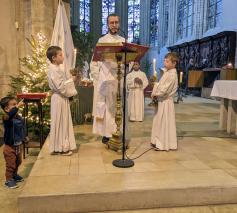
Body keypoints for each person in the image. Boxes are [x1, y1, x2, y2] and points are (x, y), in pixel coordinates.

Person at [90, 13, 125, 144]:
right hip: (104, 80)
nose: (114, 25)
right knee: (105, 108)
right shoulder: (102, 40)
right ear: (108, 24)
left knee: (117, 107)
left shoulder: (123, 40)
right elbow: (94, 62)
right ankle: (106, 133)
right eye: (112, 23)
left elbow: (130, 60)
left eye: (116, 22)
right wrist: (97, 78)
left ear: (119, 23)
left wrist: (125, 70)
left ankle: (117, 130)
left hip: (118, 79)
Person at [46, 46, 77, 155]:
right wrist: (71, 80)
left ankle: (60, 146)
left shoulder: (56, 69)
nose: (63, 57)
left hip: (60, 98)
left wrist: (68, 80)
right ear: (54, 58)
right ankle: (62, 148)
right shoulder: (53, 70)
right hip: (59, 98)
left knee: (61, 122)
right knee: (61, 121)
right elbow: (60, 87)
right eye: (60, 55)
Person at [150, 52, 179, 151]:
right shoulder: (168, 73)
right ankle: (157, 141)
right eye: (164, 61)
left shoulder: (172, 75)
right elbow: (162, 85)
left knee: (164, 123)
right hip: (162, 101)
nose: (164, 63)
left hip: (166, 102)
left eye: (167, 61)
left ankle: (162, 144)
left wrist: (155, 92)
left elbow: (164, 90)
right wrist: (156, 84)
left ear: (174, 63)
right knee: (159, 121)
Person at [0, 96, 25, 188]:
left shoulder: (18, 117)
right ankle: (8, 179)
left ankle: (14, 175)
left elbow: (21, 127)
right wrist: (17, 106)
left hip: (18, 144)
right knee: (11, 163)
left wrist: (24, 137)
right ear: (6, 108)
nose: (16, 106)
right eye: (13, 105)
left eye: (16, 104)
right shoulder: (6, 117)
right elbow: (11, 114)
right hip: (9, 146)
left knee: (18, 161)